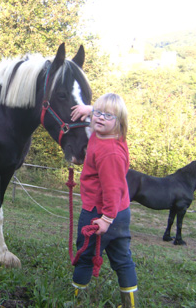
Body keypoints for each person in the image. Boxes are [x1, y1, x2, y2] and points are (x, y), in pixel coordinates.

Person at [70, 93, 138, 308]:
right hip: (120, 212)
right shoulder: (106, 134)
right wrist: (88, 109)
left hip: (100, 213)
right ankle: (129, 305)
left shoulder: (110, 153)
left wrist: (106, 219)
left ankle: (77, 302)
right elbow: (102, 115)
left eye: (106, 116)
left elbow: (113, 189)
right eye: (97, 113)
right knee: (122, 259)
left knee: (85, 257)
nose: (99, 118)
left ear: (119, 121)